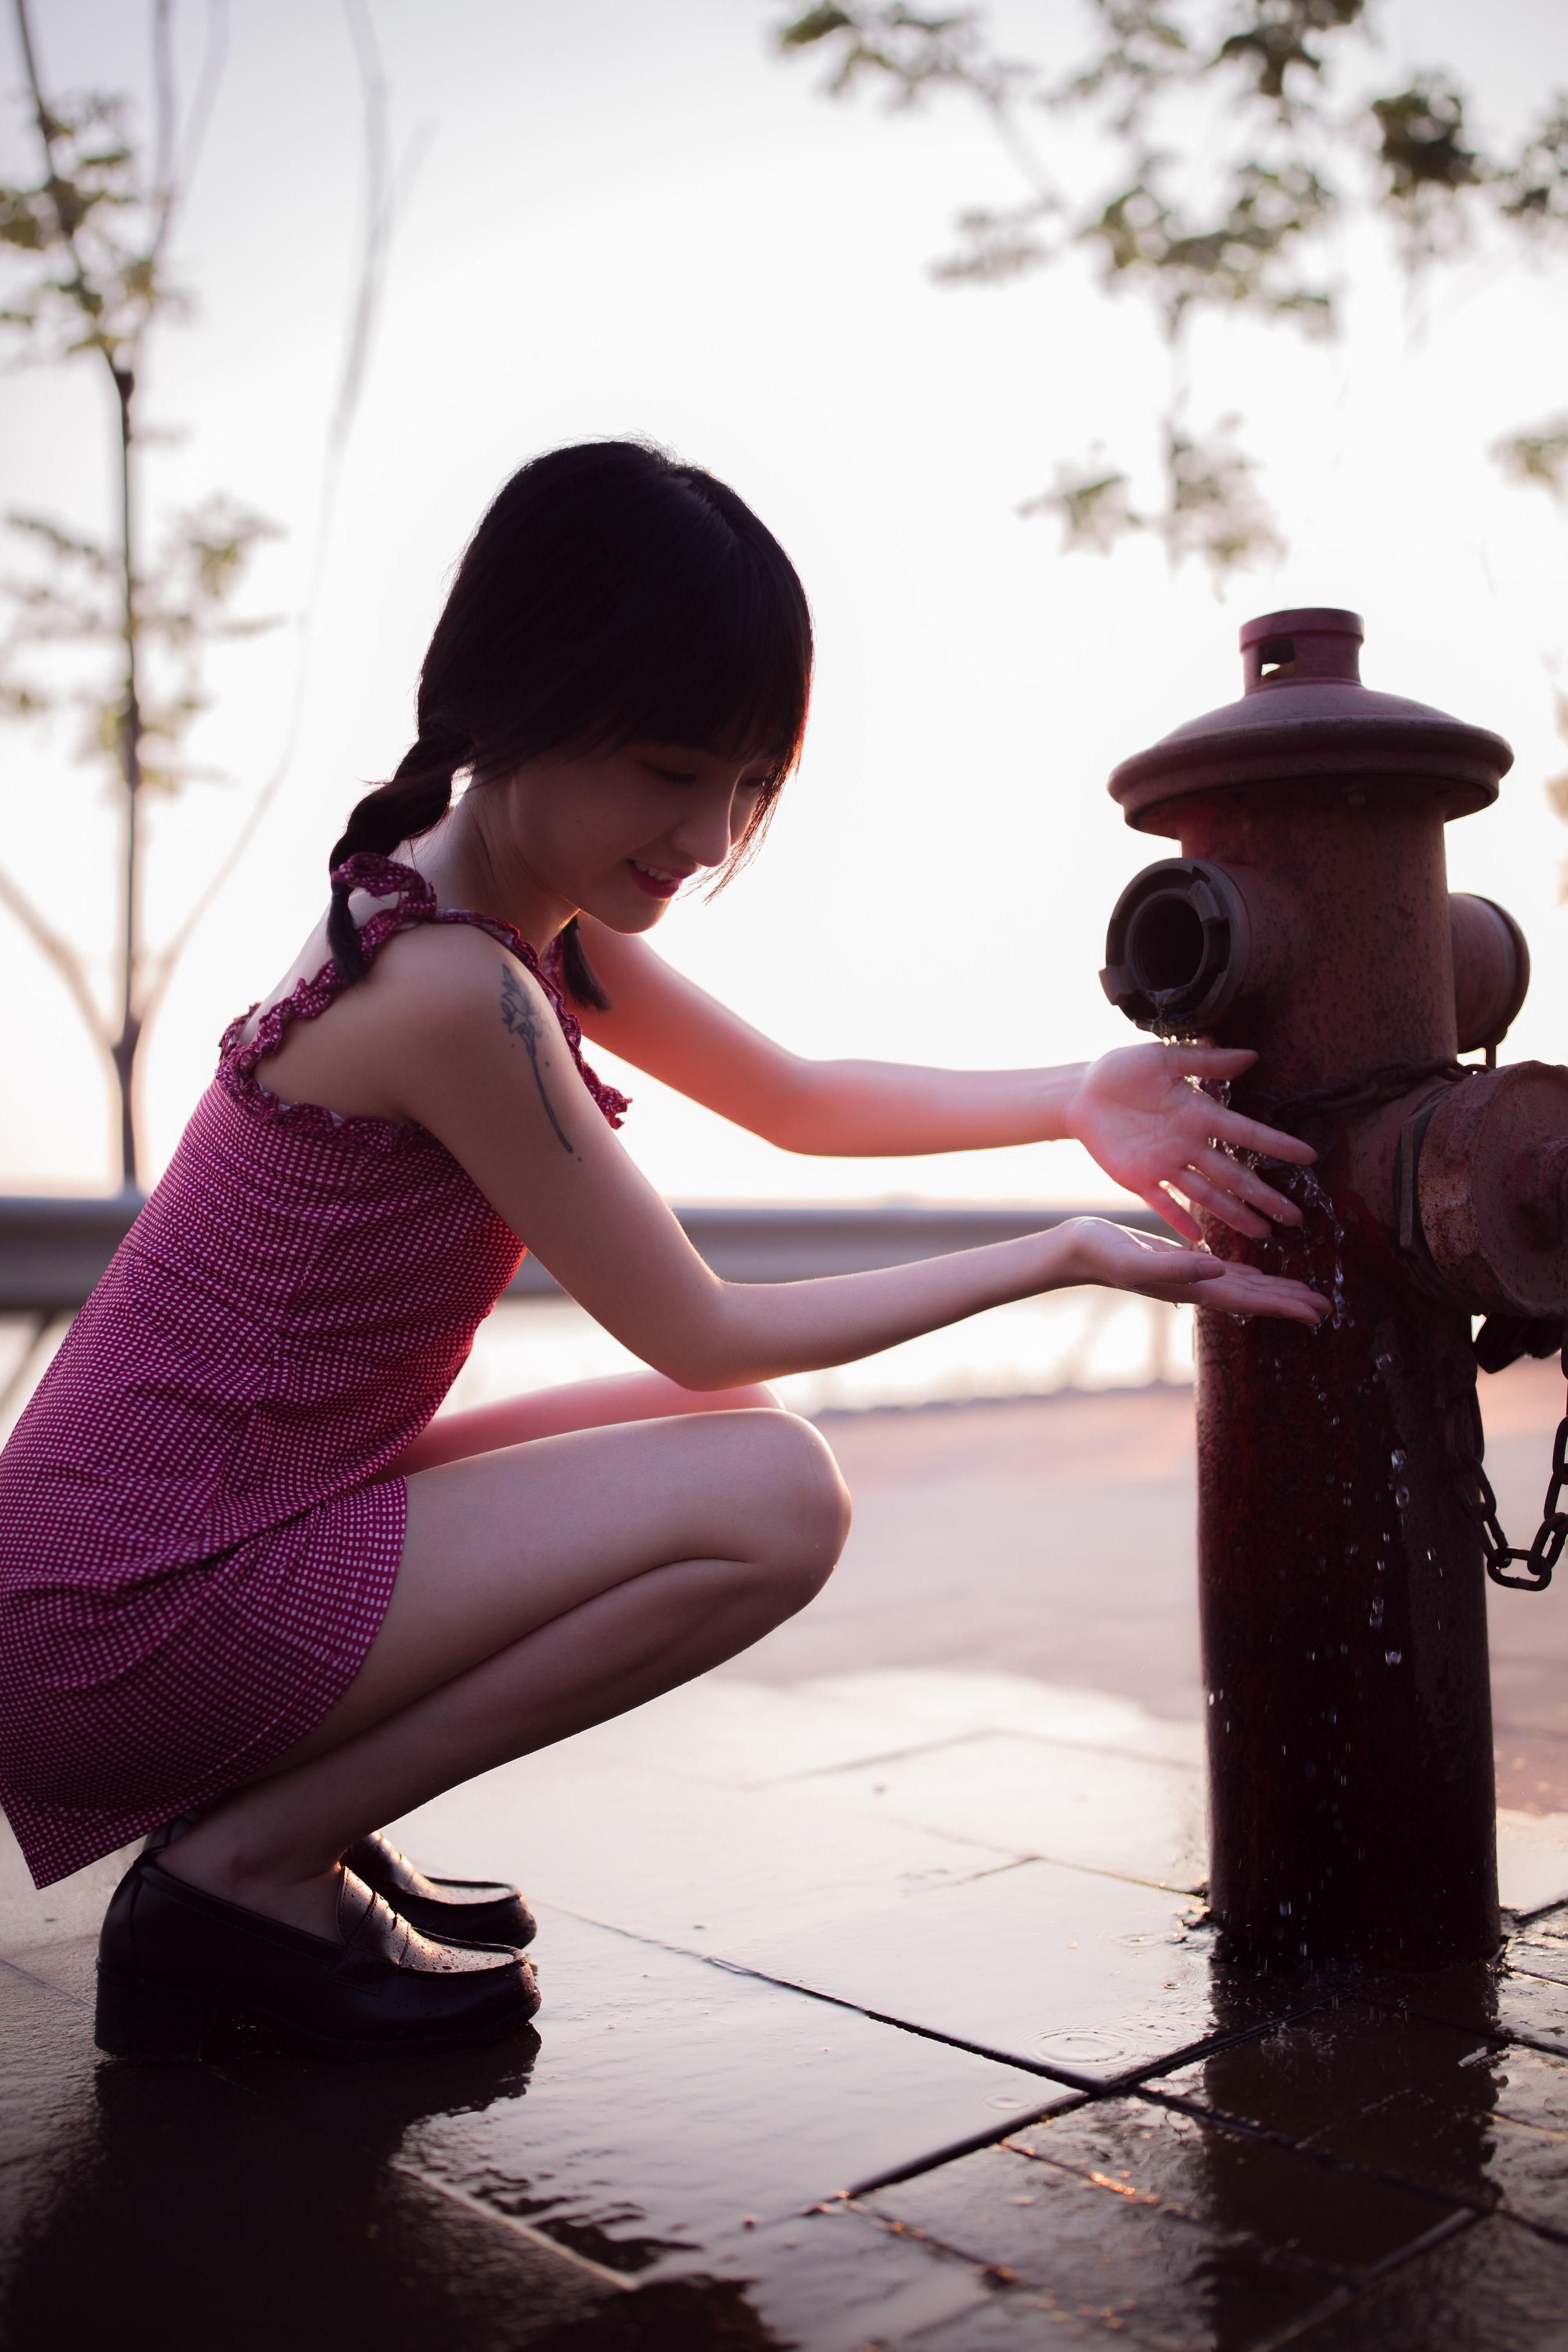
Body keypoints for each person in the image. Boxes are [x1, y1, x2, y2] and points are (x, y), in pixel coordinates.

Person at [0, 441, 1326, 2063]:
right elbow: (700, 1328)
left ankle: (271, 1826)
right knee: (770, 1497)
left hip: (156, 1548)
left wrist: (1076, 1094)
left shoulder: (488, 916)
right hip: (123, 1613)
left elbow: (797, 1099)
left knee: (732, 1458)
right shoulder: (454, 991)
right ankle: (245, 1867)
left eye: (743, 780)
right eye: (666, 768)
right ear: (514, 701)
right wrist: (1061, 1252)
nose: (705, 832)